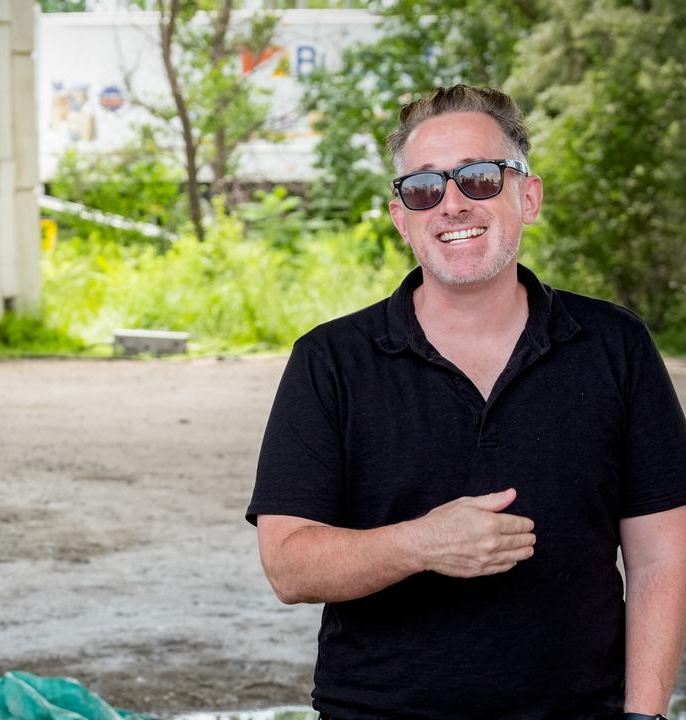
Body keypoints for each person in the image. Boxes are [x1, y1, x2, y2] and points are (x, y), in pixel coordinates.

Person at [247, 85, 686, 719]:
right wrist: (421, 545)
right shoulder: (330, 359)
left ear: (527, 197)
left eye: (479, 178)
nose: (452, 203)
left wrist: (644, 716)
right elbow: (288, 566)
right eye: (424, 187)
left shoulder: (614, 345)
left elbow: (660, 556)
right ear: (403, 218)